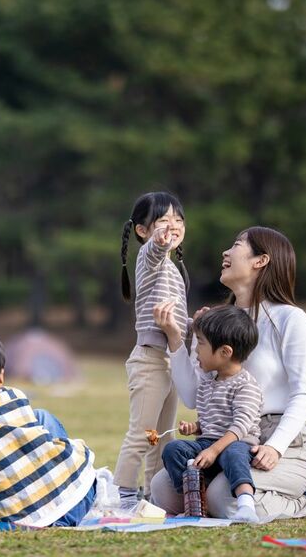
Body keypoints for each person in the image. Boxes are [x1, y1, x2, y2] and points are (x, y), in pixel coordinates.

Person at [149, 226, 306, 521]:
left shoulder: (290, 319)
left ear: (261, 260)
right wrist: (181, 341)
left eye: (237, 245)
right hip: (225, 437)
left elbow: (303, 395)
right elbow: (193, 396)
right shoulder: (222, 322)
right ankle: (237, 494)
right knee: (162, 489)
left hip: (282, 440)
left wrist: (276, 447)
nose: (225, 253)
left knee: (221, 498)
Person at [0, 330, 96, 527]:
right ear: (0, 377)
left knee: (38, 417)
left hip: (26, 518)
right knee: (42, 417)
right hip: (81, 499)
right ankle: (64, 477)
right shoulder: (16, 396)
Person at [114, 191, 190, 509]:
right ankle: (125, 496)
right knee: (142, 433)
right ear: (143, 231)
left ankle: (154, 495)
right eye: (162, 220)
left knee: (161, 436)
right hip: (149, 359)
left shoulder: (173, 270)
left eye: (178, 220)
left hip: (168, 360)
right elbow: (157, 250)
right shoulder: (149, 257)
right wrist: (160, 240)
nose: (172, 225)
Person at [153, 304, 263, 522]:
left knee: (233, 454)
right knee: (174, 448)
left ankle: (246, 504)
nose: (196, 350)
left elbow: (240, 427)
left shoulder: (246, 385)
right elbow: (210, 421)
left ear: (225, 352)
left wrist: (214, 450)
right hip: (208, 443)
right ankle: (190, 497)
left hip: (236, 443)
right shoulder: (208, 382)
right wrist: (195, 427)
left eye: (201, 343)